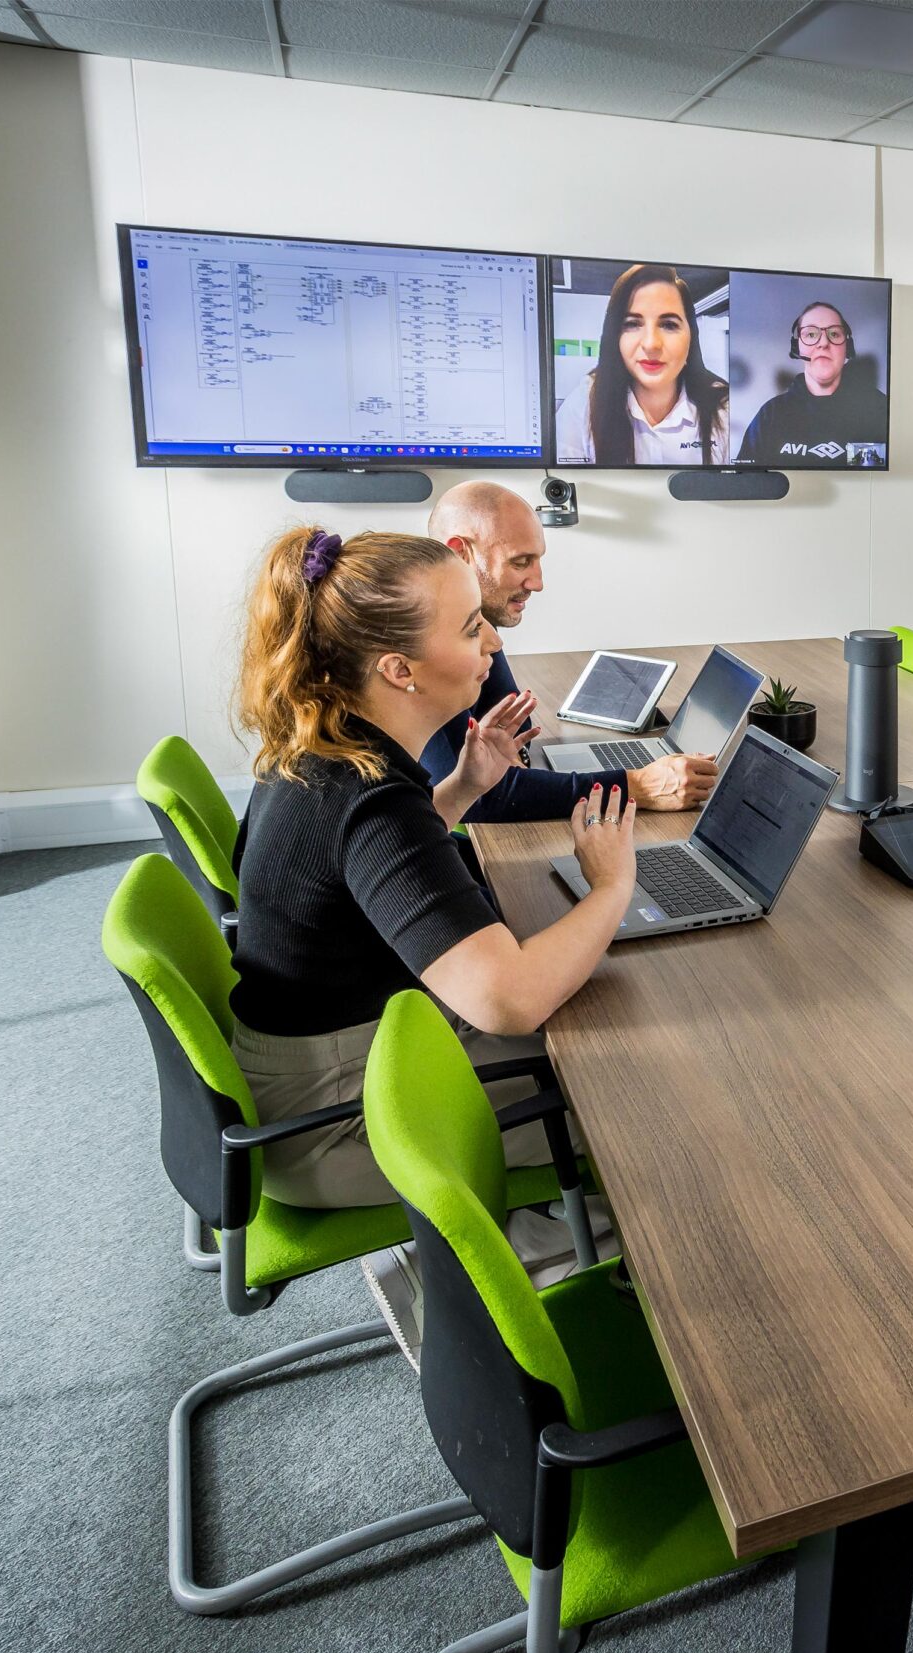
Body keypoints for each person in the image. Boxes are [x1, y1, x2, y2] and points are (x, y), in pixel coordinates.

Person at [226, 524, 639, 1212]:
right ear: (399, 668)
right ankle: (536, 1253)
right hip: (337, 1124)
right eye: (473, 628)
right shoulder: (370, 801)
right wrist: (612, 885)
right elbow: (508, 1000)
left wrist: (465, 787)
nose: (495, 645)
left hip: (340, 1057)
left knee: (603, 1029)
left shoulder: (324, 745)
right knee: (636, 1094)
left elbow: (359, 878)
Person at [422, 478, 716, 817]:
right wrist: (638, 785)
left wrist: (517, 778)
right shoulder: (423, 642)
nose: (538, 582)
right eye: (521, 562)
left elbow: (509, 740)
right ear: (461, 553)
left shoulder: (469, 618)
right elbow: (475, 795)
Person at [552, 263, 732, 465]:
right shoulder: (585, 403)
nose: (651, 344)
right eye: (632, 324)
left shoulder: (725, 409)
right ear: (615, 336)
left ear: (691, 336)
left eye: (668, 325)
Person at [735, 299, 888, 467]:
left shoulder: (875, 407)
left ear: (847, 348)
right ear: (797, 347)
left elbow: (871, 477)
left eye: (834, 334)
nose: (823, 343)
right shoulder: (770, 415)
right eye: (811, 334)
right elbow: (748, 477)